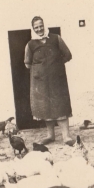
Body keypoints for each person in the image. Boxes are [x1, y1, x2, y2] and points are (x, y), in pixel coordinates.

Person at [24, 16, 74, 146]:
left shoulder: (56, 38)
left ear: (44, 25)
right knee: (45, 108)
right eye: (36, 27)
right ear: (33, 29)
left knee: (61, 105)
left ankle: (66, 136)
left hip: (57, 80)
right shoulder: (30, 45)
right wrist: (40, 71)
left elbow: (68, 55)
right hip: (40, 83)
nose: (39, 29)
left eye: (41, 26)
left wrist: (55, 66)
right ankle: (50, 136)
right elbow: (27, 63)